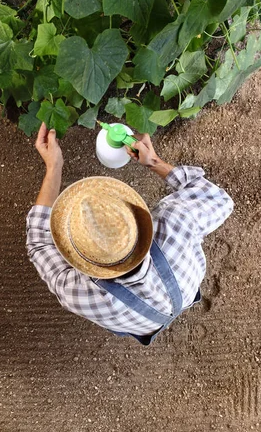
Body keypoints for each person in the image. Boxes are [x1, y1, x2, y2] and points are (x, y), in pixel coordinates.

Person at [26, 122, 233, 345]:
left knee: (138, 320)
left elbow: (38, 242)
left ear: (85, 261)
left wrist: (54, 166)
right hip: (185, 285)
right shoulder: (176, 222)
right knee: (174, 300)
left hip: (138, 320)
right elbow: (218, 199)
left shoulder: (77, 294)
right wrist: (153, 162)